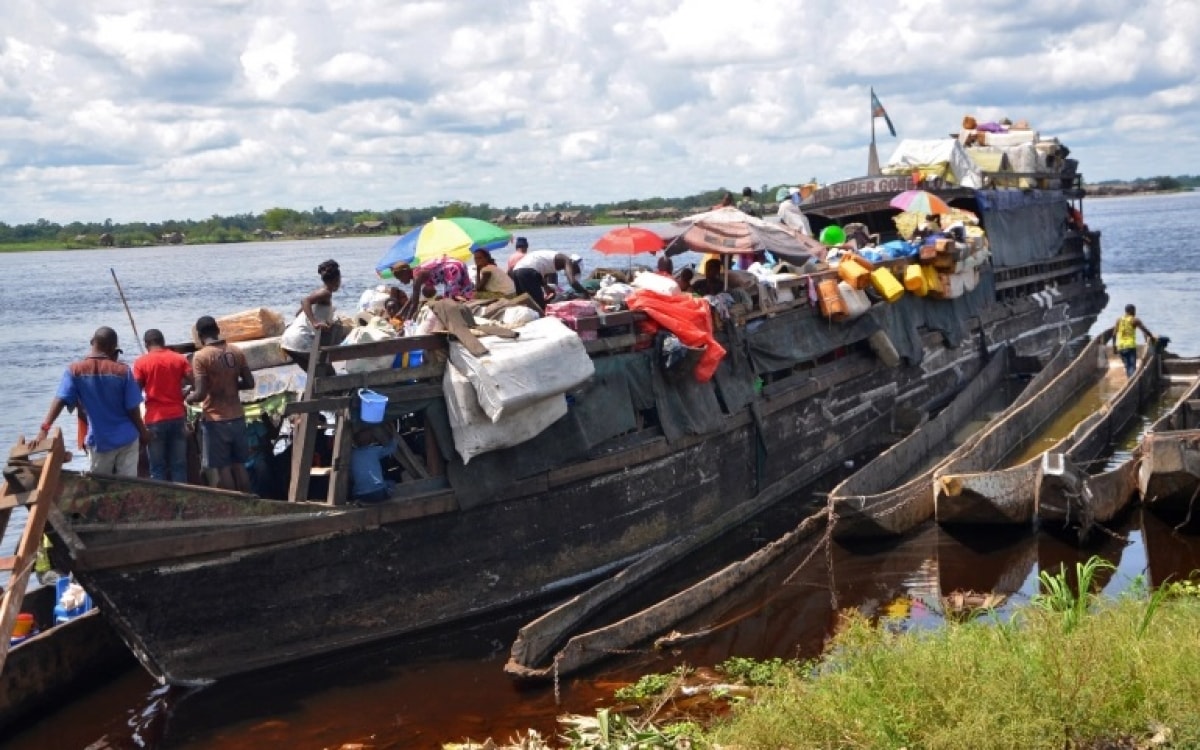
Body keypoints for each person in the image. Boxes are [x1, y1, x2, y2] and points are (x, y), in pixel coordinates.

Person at [35, 327, 148, 476]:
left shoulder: (75, 371)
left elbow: (60, 399)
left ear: (92, 342)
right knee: (128, 486)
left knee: (100, 486)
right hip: (127, 438)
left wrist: (44, 429)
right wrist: (143, 432)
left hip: (101, 441)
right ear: (112, 347)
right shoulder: (123, 371)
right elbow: (133, 409)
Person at [187, 315, 255, 491]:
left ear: (200, 335)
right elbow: (249, 383)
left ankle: (234, 506)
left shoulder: (200, 357)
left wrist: (188, 397)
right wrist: (232, 385)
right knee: (239, 465)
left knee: (223, 468)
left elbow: (201, 394)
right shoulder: (236, 351)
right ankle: (249, 502)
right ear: (218, 330)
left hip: (216, 420)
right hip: (238, 416)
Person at [132, 329, 193, 482]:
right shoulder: (179, 359)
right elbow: (196, 382)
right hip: (177, 417)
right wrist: (185, 394)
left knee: (157, 468)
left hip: (155, 419)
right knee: (179, 465)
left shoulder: (141, 362)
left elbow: (134, 394)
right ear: (163, 341)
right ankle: (182, 502)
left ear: (146, 344)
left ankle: (161, 504)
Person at [281, 259, 341, 376]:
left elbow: (299, 313)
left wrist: (320, 322)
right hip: (300, 340)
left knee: (314, 375)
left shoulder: (319, 292)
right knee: (328, 374)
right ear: (336, 279)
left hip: (288, 340)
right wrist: (314, 322)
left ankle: (312, 394)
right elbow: (305, 301)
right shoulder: (325, 293)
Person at [391, 256, 474, 317]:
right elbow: (413, 298)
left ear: (405, 272)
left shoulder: (417, 276)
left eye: (400, 278)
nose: (401, 281)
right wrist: (400, 313)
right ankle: (470, 308)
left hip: (451, 268)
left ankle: (463, 315)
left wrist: (407, 321)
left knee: (450, 300)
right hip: (457, 264)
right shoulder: (417, 272)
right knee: (463, 291)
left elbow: (415, 303)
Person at [511, 249, 589, 309]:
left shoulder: (554, 260)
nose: (573, 272)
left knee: (524, 304)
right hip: (527, 271)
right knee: (539, 307)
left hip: (517, 270)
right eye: (575, 270)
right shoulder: (566, 260)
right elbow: (573, 282)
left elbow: (541, 272)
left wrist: (546, 287)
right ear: (574, 264)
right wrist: (586, 293)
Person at [350, 424, 399, 504]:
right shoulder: (375, 450)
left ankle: (360, 501)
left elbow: (351, 476)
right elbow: (391, 449)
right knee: (391, 483)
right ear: (371, 440)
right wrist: (394, 434)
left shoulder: (352, 454)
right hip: (378, 493)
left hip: (359, 495)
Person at [1112, 304, 1155, 377]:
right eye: (1134, 310)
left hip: (1121, 347)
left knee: (1127, 366)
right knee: (1132, 368)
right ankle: (1131, 382)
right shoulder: (1134, 320)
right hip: (1130, 347)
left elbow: (1114, 334)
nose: (1135, 312)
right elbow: (1144, 330)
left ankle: (1129, 381)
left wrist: (1114, 347)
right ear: (1131, 311)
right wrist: (1152, 337)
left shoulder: (1119, 320)